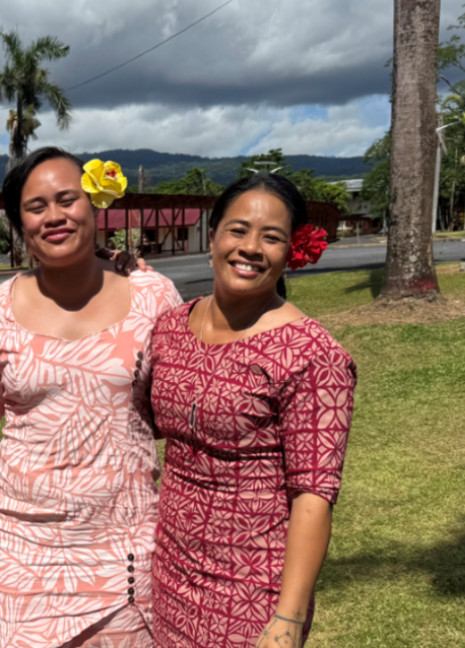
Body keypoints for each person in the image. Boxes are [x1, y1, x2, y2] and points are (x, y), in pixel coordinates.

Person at [0, 147, 183, 647]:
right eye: (36, 206)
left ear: (94, 205)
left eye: (67, 199)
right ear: (19, 223)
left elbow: (169, 412)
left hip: (126, 547)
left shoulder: (154, 297)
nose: (54, 216)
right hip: (23, 551)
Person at [146, 173, 355, 648]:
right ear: (213, 235)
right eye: (238, 230)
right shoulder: (172, 326)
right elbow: (155, 423)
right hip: (172, 570)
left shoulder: (311, 354)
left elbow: (313, 495)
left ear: (291, 250)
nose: (251, 248)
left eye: (272, 236)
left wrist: (288, 619)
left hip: (254, 586)